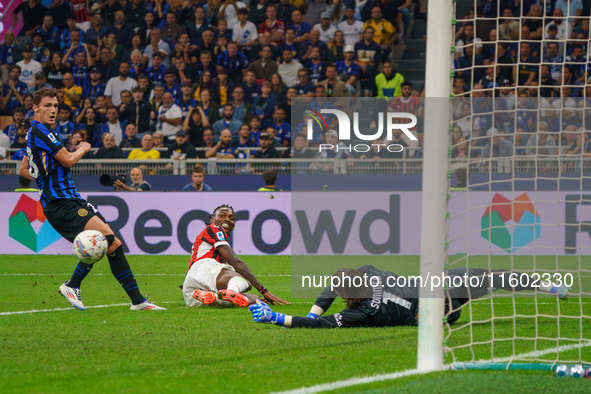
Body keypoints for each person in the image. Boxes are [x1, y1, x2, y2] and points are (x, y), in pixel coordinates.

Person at [19, 87, 164, 311]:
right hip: (61, 203)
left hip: (69, 199)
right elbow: (67, 160)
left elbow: (24, 169)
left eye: (56, 106)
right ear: (35, 108)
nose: (53, 110)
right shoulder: (41, 131)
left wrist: (44, 179)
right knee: (105, 238)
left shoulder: (40, 133)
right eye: (47, 105)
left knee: (113, 244)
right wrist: (83, 149)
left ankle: (138, 301)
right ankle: (72, 285)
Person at [249, 264, 570, 328]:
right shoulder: (367, 275)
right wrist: (307, 317)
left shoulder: (359, 313)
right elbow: (333, 287)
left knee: (490, 279)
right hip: (438, 295)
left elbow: (323, 313)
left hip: (436, 308)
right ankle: (549, 286)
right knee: (493, 277)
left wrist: (284, 318)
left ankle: (548, 286)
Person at [182, 204, 290, 308]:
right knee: (244, 282)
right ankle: (231, 292)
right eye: (222, 215)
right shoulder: (214, 228)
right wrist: (263, 290)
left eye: (232, 218)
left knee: (255, 298)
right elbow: (237, 264)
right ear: (212, 220)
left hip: (192, 291)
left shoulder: (212, 243)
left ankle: (215, 297)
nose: (228, 219)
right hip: (204, 268)